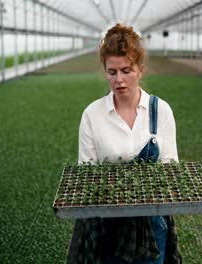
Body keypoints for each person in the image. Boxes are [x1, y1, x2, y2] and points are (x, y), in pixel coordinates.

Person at [67, 24, 182, 264]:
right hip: (108, 228)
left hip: (152, 225)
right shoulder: (92, 115)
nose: (119, 80)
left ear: (140, 70)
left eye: (126, 70)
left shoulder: (160, 111)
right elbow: (86, 172)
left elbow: (171, 167)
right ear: (105, 72)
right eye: (112, 72)